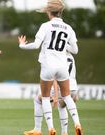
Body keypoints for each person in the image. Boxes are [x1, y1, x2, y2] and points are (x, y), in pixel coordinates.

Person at [18, 0, 82, 135]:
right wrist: (63, 45)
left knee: (45, 98)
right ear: (60, 12)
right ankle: (77, 123)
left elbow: (36, 45)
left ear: (49, 12)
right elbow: (75, 50)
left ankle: (50, 128)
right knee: (67, 97)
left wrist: (22, 45)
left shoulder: (45, 26)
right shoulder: (68, 28)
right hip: (62, 66)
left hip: (48, 66)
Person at [24, 52, 79, 135]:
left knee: (38, 100)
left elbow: (55, 77)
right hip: (73, 88)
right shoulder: (71, 57)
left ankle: (38, 129)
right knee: (62, 106)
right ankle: (65, 132)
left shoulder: (56, 57)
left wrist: (55, 95)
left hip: (61, 87)